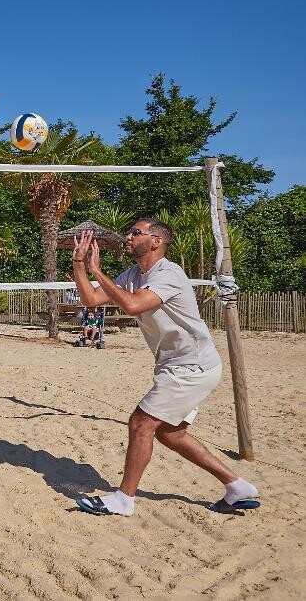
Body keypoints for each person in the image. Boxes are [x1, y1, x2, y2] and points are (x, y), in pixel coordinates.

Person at [70, 219, 260, 517]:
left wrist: (97, 270)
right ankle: (237, 487)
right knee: (171, 434)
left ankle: (123, 499)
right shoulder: (134, 274)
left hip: (192, 366)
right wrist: (80, 263)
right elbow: (91, 299)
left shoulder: (169, 273)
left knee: (141, 423)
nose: (128, 236)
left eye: (135, 232)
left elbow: (133, 306)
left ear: (155, 241)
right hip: (176, 365)